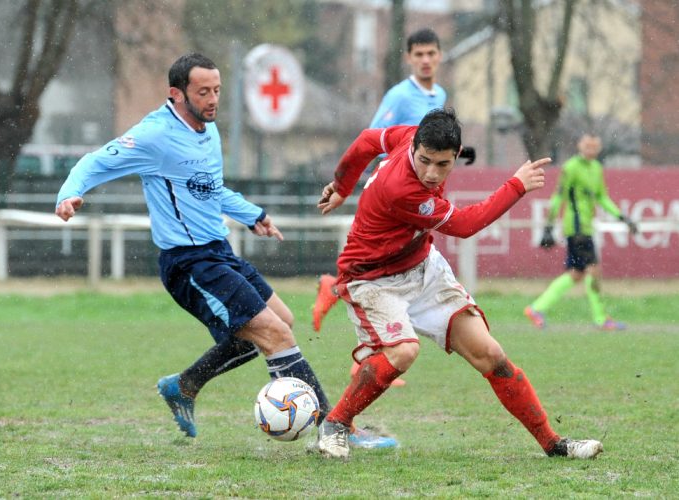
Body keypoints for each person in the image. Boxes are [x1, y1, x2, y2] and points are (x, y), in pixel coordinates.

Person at [54, 53, 395, 449]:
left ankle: (185, 385)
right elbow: (95, 161)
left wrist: (253, 215)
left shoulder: (207, 130)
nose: (213, 99)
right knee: (274, 333)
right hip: (189, 263)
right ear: (176, 94)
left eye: (216, 89)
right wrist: (70, 193)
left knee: (281, 320)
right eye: (203, 92)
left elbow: (210, 189)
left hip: (219, 251)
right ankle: (335, 429)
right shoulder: (154, 135)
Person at [313, 107, 604, 460]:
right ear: (414, 147)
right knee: (403, 352)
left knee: (492, 355)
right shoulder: (401, 189)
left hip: (422, 268)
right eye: (425, 161)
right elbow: (465, 225)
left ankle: (553, 444)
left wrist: (343, 187)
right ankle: (336, 423)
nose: (432, 173)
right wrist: (516, 186)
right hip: (373, 280)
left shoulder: (408, 136)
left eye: (443, 164)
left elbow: (364, 142)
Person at [312, 28, 447, 336]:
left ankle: (336, 291)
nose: (426, 60)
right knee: (388, 272)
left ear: (440, 56)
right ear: (408, 58)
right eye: (419, 54)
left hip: (422, 193)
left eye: (431, 54)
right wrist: (378, 186)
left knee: (398, 272)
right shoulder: (399, 96)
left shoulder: (439, 96)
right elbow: (372, 139)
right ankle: (337, 292)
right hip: (396, 196)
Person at [524, 133, 638, 330]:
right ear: (580, 146)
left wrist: (622, 217)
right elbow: (559, 196)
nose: (590, 150)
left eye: (594, 147)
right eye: (587, 146)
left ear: (598, 148)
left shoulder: (597, 168)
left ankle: (536, 308)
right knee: (593, 270)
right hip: (576, 228)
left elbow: (602, 198)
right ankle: (601, 319)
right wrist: (549, 224)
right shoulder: (571, 168)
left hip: (586, 227)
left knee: (576, 273)